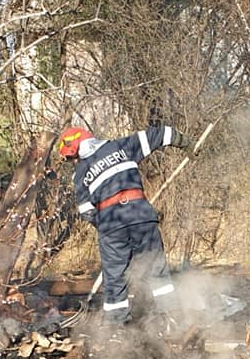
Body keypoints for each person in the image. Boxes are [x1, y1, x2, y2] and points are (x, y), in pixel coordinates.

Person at [58, 124, 190, 326]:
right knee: (156, 269)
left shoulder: (79, 174)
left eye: (72, 158)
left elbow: (86, 211)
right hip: (141, 216)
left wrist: (105, 226)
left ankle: (117, 328)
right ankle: (171, 318)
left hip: (111, 224)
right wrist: (187, 144)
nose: (73, 162)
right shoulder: (123, 146)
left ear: (76, 149)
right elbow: (161, 134)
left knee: (114, 277)